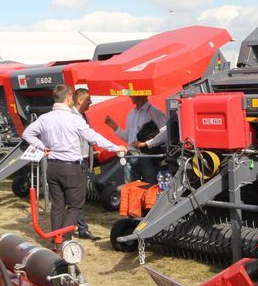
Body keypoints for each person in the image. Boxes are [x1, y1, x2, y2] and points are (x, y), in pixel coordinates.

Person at [23, 85, 125, 240]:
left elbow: (27, 134)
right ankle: (64, 239)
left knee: (57, 206)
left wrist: (43, 147)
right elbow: (94, 137)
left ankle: (56, 241)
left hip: (52, 167)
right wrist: (116, 147)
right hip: (71, 168)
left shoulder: (44, 118)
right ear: (69, 98)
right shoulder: (74, 119)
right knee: (75, 206)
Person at [104, 96, 168, 183]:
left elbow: (166, 133)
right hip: (131, 156)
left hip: (147, 157)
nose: (130, 96)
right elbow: (128, 139)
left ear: (141, 94)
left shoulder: (155, 112)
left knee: (150, 187)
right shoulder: (131, 114)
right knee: (130, 189)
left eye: (132, 94)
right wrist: (115, 127)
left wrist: (146, 144)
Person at [71, 88, 99, 240]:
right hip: (75, 161)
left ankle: (75, 226)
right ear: (80, 101)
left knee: (77, 196)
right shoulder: (72, 117)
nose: (91, 102)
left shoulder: (83, 116)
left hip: (82, 159)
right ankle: (82, 229)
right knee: (78, 196)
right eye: (88, 100)